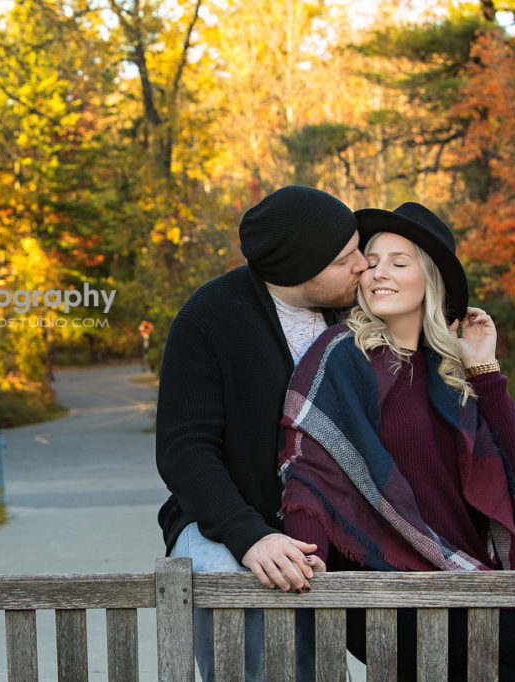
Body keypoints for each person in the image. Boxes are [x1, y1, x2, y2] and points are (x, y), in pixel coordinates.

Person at [278, 202, 515, 679]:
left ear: (429, 280)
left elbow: (514, 472)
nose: (377, 273)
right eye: (370, 262)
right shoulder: (341, 355)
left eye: (398, 261)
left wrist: (483, 365)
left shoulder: (449, 371)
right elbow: (310, 471)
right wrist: (312, 582)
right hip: (381, 583)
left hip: (459, 575)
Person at [156, 185, 368, 681]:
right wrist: (249, 537)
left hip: (332, 519)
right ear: (298, 272)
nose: (363, 264)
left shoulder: (358, 315)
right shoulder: (210, 318)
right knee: (236, 585)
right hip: (224, 518)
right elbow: (185, 449)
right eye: (346, 259)